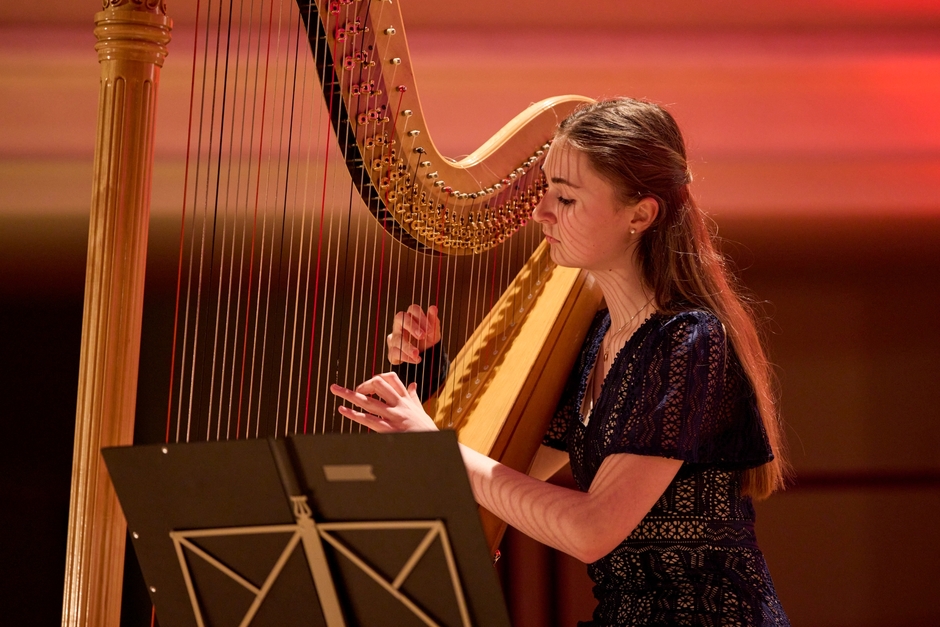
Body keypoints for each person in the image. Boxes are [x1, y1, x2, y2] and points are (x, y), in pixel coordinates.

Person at [330, 98, 790, 626]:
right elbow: (509, 474)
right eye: (544, 190)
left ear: (640, 214)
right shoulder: (598, 339)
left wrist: (435, 445)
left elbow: (591, 531)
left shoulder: (687, 341)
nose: (540, 212)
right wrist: (428, 379)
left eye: (566, 198)